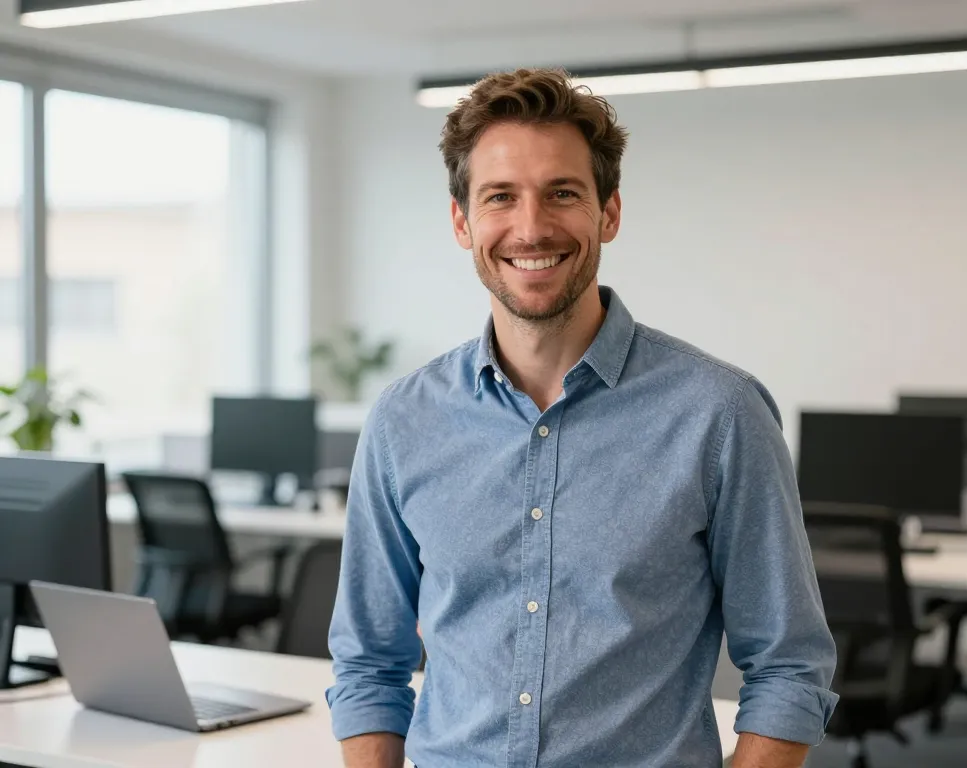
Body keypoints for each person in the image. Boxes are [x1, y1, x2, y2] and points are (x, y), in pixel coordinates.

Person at [326, 67, 838, 768]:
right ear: (462, 221)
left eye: (562, 193)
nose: (530, 227)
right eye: (500, 196)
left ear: (609, 213)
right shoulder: (402, 422)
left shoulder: (719, 414)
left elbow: (789, 667)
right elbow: (368, 663)